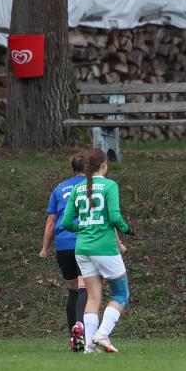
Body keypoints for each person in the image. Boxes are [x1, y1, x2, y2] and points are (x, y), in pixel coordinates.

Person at [61, 148, 134, 354]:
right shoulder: (110, 185)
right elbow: (114, 218)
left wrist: (83, 229)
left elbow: (66, 221)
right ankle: (101, 334)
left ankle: (89, 348)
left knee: (93, 297)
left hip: (82, 248)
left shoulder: (78, 188)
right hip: (105, 248)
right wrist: (127, 230)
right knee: (121, 293)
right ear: (104, 165)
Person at [39, 152, 88, 351]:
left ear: (72, 168)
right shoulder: (94, 186)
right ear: (87, 167)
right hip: (86, 242)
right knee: (88, 290)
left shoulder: (59, 188)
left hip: (64, 245)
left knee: (72, 290)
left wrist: (44, 248)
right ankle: (84, 332)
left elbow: (51, 221)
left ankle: (74, 339)